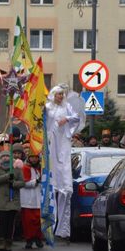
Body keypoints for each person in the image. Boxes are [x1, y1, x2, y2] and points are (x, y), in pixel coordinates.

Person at [45, 84, 85, 242]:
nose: (61, 97)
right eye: (58, 94)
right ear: (53, 94)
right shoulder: (47, 107)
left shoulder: (67, 107)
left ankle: (62, 230)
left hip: (63, 145)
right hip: (50, 144)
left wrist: (66, 119)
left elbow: (77, 117)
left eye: (62, 94)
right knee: (51, 189)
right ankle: (48, 227)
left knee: (65, 191)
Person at [0, 150, 25, 251]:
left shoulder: (17, 168)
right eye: (3, 156)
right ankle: (1, 240)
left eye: (7, 156)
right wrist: (7, 177)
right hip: (0, 199)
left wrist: (13, 183)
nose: (6, 158)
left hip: (12, 199)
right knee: (2, 221)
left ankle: (8, 240)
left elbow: (22, 182)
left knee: (11, 222)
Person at [20, 151, 43, 249]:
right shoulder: (25, 168)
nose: (34, 159)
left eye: (36, 157)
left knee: (38, 221)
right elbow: (24, 183)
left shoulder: (40, 168)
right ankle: (29, 239)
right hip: (28, 200)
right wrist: (36, 181)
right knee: (28, 222)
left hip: (39, 199)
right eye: (32, 157)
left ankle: (38, 239)